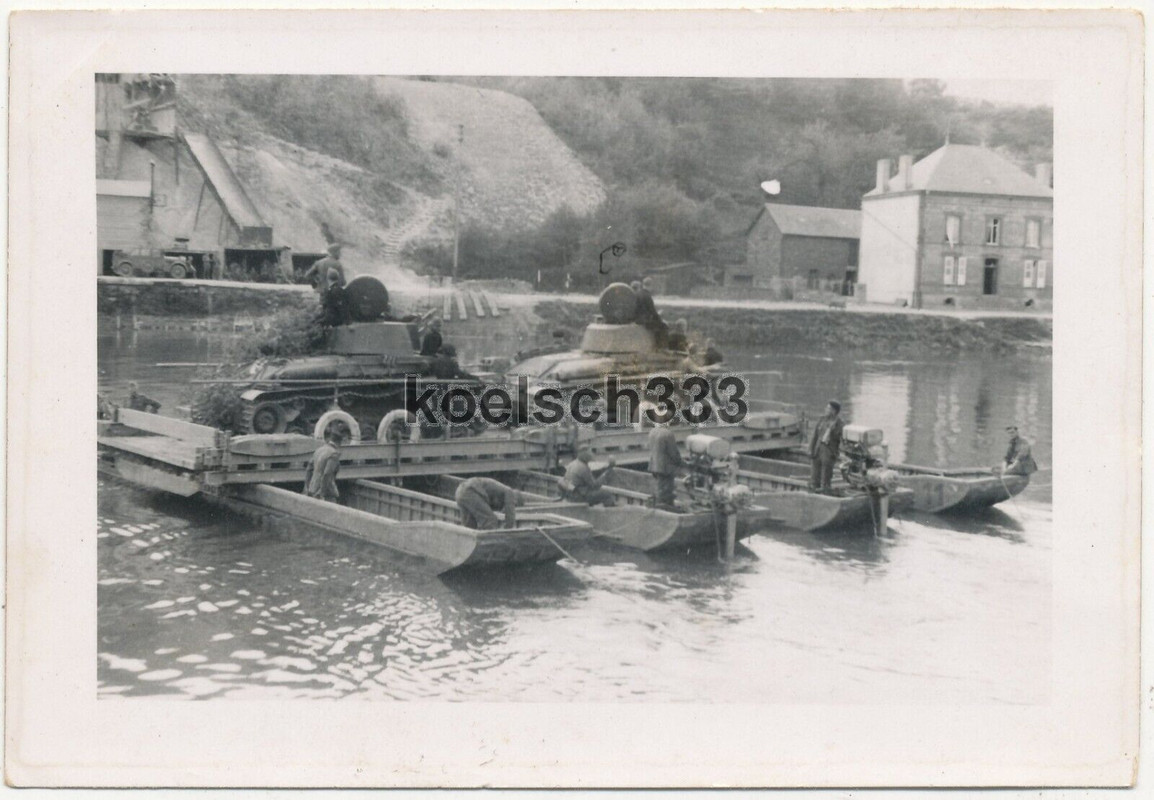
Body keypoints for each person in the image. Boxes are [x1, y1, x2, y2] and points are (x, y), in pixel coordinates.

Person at [454, 477, 519, 530]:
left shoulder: (500, 491)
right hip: (470, 491)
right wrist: (507, 531)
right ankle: (490, 545)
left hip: (460, 492)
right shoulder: (510, 492)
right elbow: (510, 515)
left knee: (470, 526)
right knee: (490, 520)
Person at [809, 400, 844, 491]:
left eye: (828, 408)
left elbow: (841, 441)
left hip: (829, 453)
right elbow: (814, 436)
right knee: (814, 476)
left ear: (834, 411)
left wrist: (833, 430)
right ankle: (814, 492)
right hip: (817, 451)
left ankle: (825, 492)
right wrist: (810, 449)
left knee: (825, 478)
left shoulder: (839, 424)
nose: (825, 410)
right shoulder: (821, 419)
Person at [647, 421, 684, 509]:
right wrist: (680, 462)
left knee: (660, 487)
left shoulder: (652, 432)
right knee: (667, 490)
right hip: (665, 467)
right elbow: (673, 453)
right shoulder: (668, 434)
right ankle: (666, 508)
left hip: (654, 465)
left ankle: (661, 506)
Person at [303, 428, 345, 502]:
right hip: (326, 493)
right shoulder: (333, 454)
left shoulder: (318, 450)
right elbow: (327, 474)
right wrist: (322, 492)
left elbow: (309, 469)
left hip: (312, 489)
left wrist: (307, 486)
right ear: (339, 442)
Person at [633, 276, 668, 347]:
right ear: (651, 286)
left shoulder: (637, 294)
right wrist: (660, 319)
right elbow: (652, 311)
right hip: (645, 320)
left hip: (637, 319)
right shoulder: (648, 296)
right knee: (664, 326)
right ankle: (660, 346)